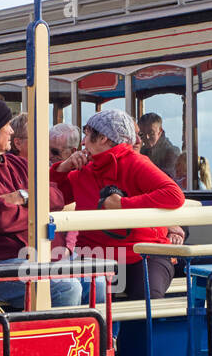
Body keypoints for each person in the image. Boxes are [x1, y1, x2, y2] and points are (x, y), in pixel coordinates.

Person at [52, 108, 184, 300]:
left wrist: (122, 204)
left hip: (144, 254)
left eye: (87, 135)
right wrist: (62, 168)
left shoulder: (135, 163)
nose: (82, 142)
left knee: (147, 300)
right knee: (89, 295)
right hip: (95, 257)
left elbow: (174, 195)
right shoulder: (83, 170)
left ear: (104, 138)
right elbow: (50, 199)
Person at [0, 91, 79, 309]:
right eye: (6, 125)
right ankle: (56, 343)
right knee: (67, 287)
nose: (11, 131)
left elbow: (56, 195)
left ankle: (98, 342)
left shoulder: (17, 164)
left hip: (32, 259)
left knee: (98, 284)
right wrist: (39, 210)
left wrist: (22, 196)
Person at [137, 112, 179, 180]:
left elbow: (167, 179)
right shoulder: (142, 152)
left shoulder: (172, 152)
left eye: (151, 133)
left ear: (160, 131)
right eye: (142, 134)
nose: (147, 137)